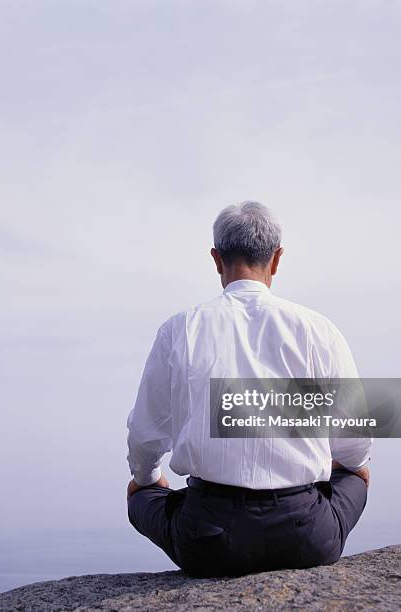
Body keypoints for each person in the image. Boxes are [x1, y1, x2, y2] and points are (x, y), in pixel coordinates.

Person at [126, 201, 371, 577]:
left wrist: (147, 479)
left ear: (216, 259)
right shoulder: (318, 329)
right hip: (305, 537)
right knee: (356, 474)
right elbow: (354, 439)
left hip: (208, 539)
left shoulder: (180, 329)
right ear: (276, 259)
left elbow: (145, 436)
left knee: (140, 495)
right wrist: (350, 466)